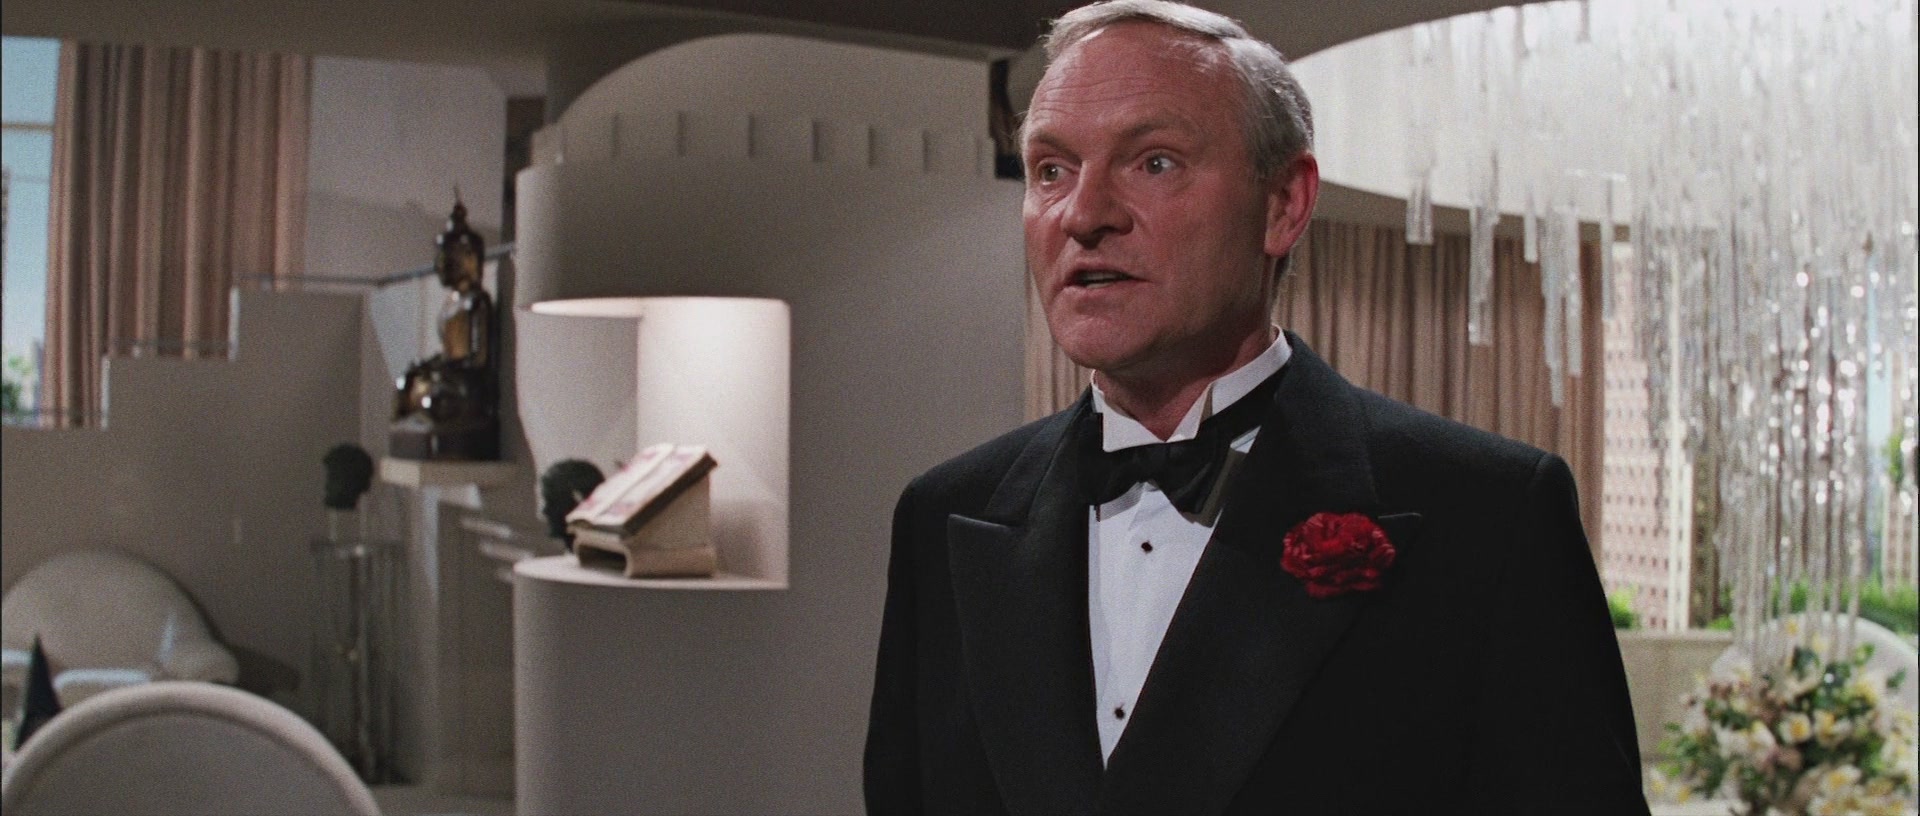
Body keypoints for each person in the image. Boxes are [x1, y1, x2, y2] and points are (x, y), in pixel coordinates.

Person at [863, 2, 1651, 814]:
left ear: (1283, 205)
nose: (1085, 214)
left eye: (1154, 163)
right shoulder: (944, 515)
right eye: (1051, 170)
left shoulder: (1489, 517)